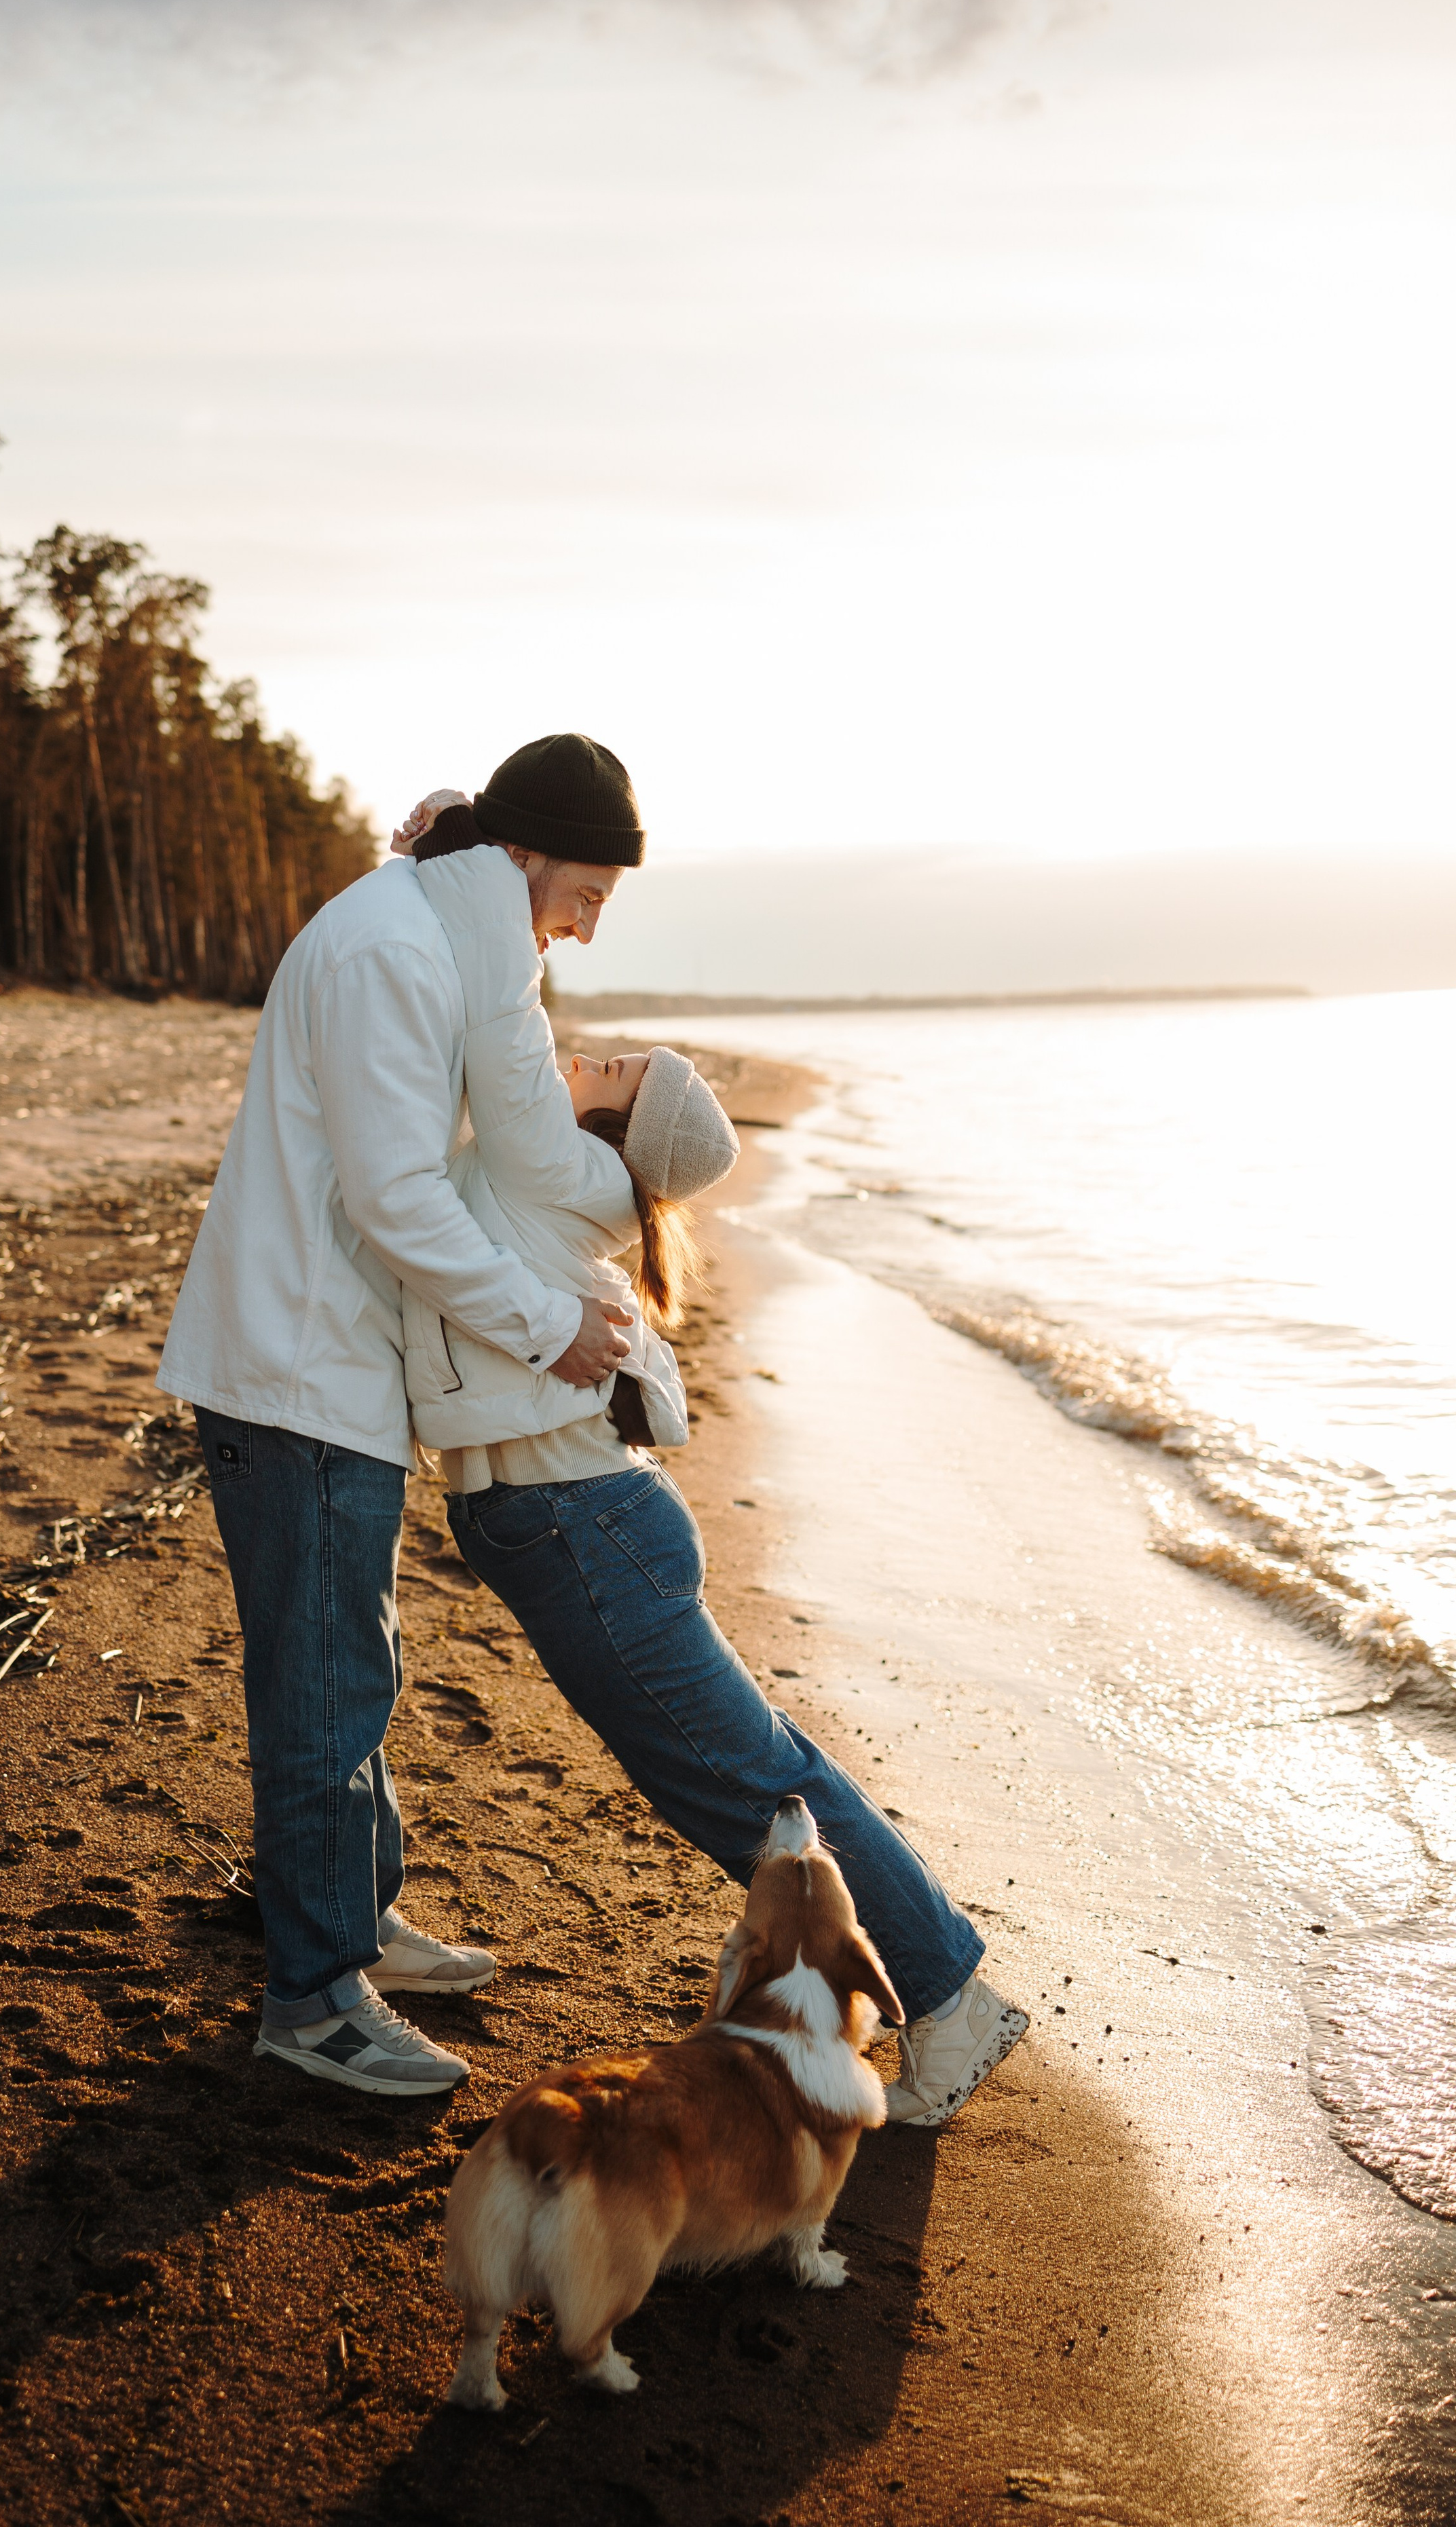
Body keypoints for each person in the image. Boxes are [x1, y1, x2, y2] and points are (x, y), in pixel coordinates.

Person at [400, 815, 1029, 2127]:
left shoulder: (558, 1167)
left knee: (748, 1781)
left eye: (613, 1067)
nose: (587, 1054)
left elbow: (501, 1019)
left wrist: (467, 873)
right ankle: (920, 1985)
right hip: (578, 1524)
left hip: (581, 1523)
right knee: (744, 1773)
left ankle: (953, 2000)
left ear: (620, 1138)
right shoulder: (558, 1170)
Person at [157, 734, 648, 2098]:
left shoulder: (439, 927)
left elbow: (486, 1065)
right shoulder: (392, 951)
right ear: (528, 855)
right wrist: (547, 1326)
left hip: (330, 1362)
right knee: (321, 1689)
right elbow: (396, 1195)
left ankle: (352, 1917)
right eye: (588, 889)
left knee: (348, 1660)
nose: (589, 922)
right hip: (297, 1364)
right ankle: (312, 2000)